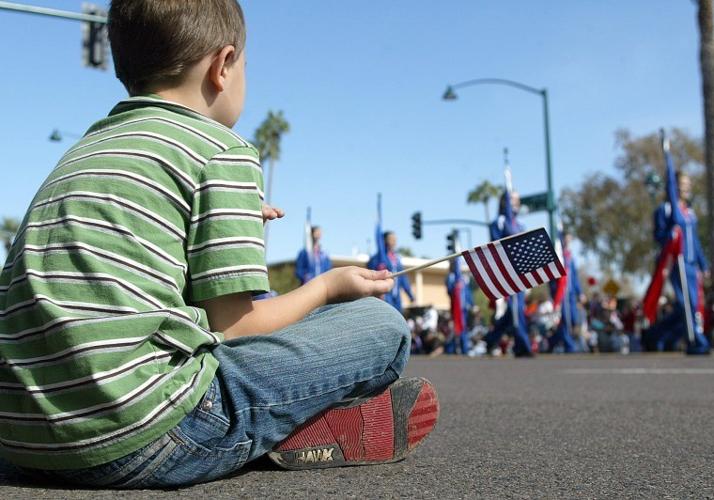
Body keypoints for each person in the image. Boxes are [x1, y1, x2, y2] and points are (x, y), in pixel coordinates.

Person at [0, 0, 439, 488]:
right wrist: (328, 287)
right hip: (140, 436)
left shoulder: (86, 149)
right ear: (223, 65)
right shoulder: (219, 148)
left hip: (22, 439)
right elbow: (237, 328)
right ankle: (289, 428)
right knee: (381, 326)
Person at [644, 171, 710, 354]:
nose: (686, 187)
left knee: (692, 305)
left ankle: (657, 336)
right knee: (686, 303)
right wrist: (670, 234)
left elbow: (695, 242)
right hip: (675, 263)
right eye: (682, 183)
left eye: (688, 183)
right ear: (673, 186)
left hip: (690, 264)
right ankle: (697, 341)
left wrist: (703, 265)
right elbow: (658, 236)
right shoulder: (664, 210)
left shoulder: (690, 213)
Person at [484, 191, 532, 357]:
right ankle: (523, 346)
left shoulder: (520, 224)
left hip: (521, 273)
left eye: (518, 200)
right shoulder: (499, 222)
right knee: (515, 309)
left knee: (515, 310)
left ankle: (491, 338)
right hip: (507, 273)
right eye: (513, 200)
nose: (516, 203)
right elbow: (496, 248)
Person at [548, 233, 584, 353]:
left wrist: (580, 292)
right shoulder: (558, 256)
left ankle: (551, 342)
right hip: (561, 294)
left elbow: (575, 277)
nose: (568, 242)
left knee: (573, 319)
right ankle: (570, 346)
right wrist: (554, 294)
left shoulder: (570, 258)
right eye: (566, 239)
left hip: (571, 295)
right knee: (564, 319)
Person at [367, 231, 414, 313]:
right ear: (384, 241)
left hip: (396, 297)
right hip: (385, 295)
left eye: (395, 240)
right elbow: (371, 275)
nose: (394, 242)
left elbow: (403, 279)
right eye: (391, 239)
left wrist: (411, 295)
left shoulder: (396, 259)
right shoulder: (376, 259)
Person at [445, 258, 473, 355]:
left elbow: (468, 293)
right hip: (455, 309)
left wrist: (471, 304)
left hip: (463, 309)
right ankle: (451, 349)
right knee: (455, 329)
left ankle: (464, 349)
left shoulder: (463, 278)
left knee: (463, 329)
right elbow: (449, 291)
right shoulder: (450, 277)